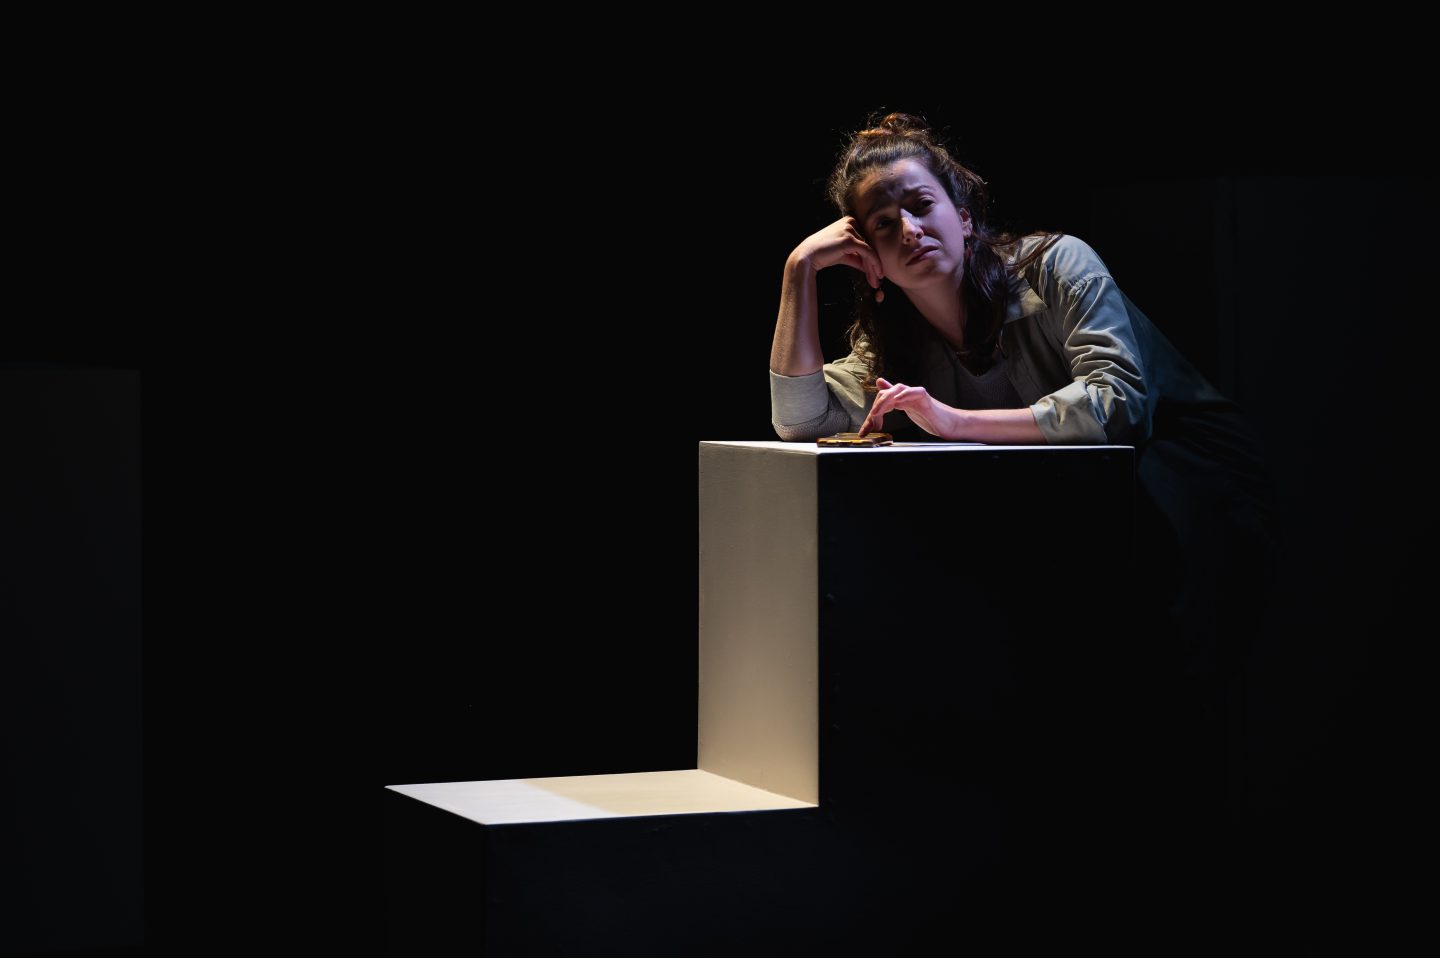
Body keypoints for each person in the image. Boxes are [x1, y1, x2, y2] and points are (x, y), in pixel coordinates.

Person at [769, 111, 1280, 863]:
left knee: (1159, 689)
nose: (908, 228)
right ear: (867, 257)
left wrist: (954, 422)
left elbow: (1119, 406)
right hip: (1074, 501)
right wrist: (798, 272)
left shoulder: (1054, 264)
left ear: (963, 216)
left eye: (921, 205)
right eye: (881, 223)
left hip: (1180, 472)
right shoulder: (891, 339)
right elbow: (799, 418)